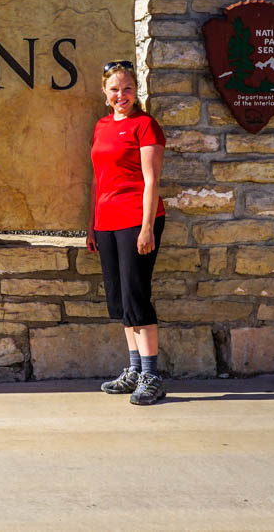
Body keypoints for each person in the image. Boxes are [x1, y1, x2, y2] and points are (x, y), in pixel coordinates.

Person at [86, 59, 167, 405]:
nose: (122, 95)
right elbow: (97, 179)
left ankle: (151, 376)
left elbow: (152, 180)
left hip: (137, 220)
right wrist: (91, 224)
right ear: (105, 93)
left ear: (136, 92)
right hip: (106, 222)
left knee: (137, 298)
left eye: (128, 89)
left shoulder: (146, 125)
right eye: (115, 89)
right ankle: (134, 370)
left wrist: (147, 227)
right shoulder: (102, 126)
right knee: (119, 300)